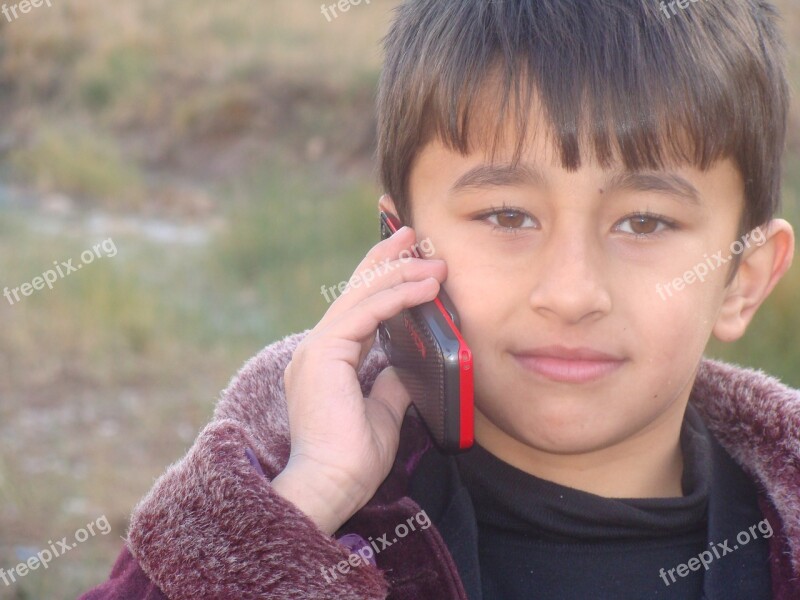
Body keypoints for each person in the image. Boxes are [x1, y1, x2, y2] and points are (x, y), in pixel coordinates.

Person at [81, 1, 799, 598]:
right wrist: (302, 505)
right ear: (400, 246)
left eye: (645, 222)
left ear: (742, 279)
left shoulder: (779, 537)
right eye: (507, 216)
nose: (572, 293)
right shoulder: (325, 509)